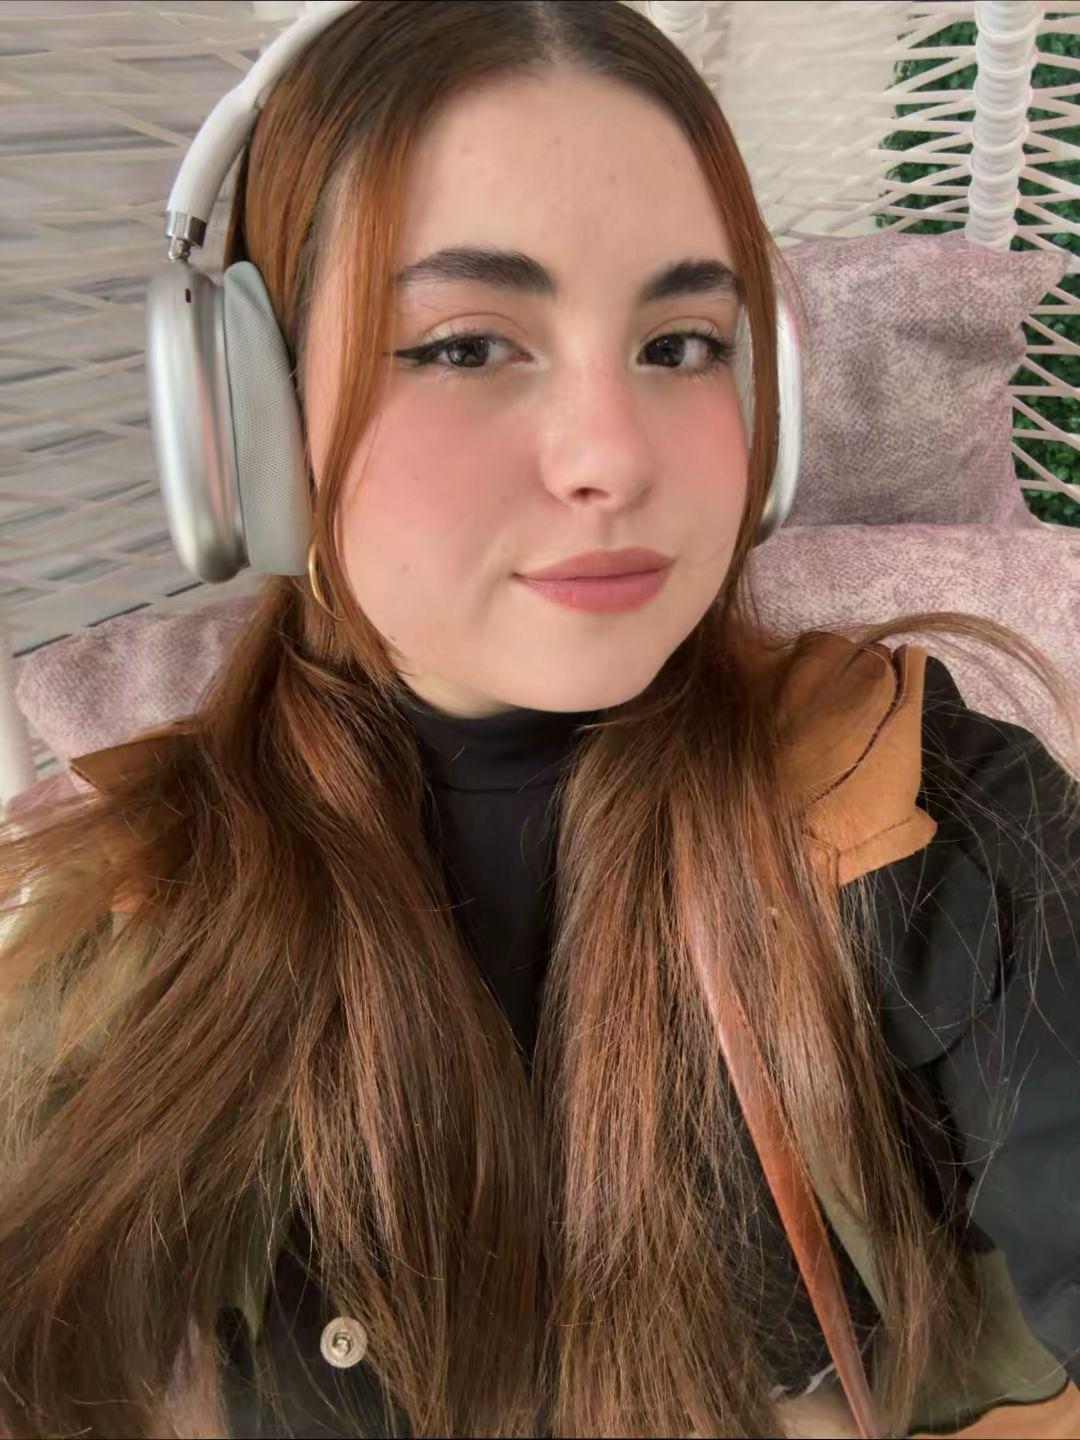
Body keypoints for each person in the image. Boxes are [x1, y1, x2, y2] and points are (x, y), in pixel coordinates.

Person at [0, 3, 1077, 1437]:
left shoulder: (920, 808)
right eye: (464, 346)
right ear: (243, 423)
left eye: (682, 343)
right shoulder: (119, 917)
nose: (612, 457)